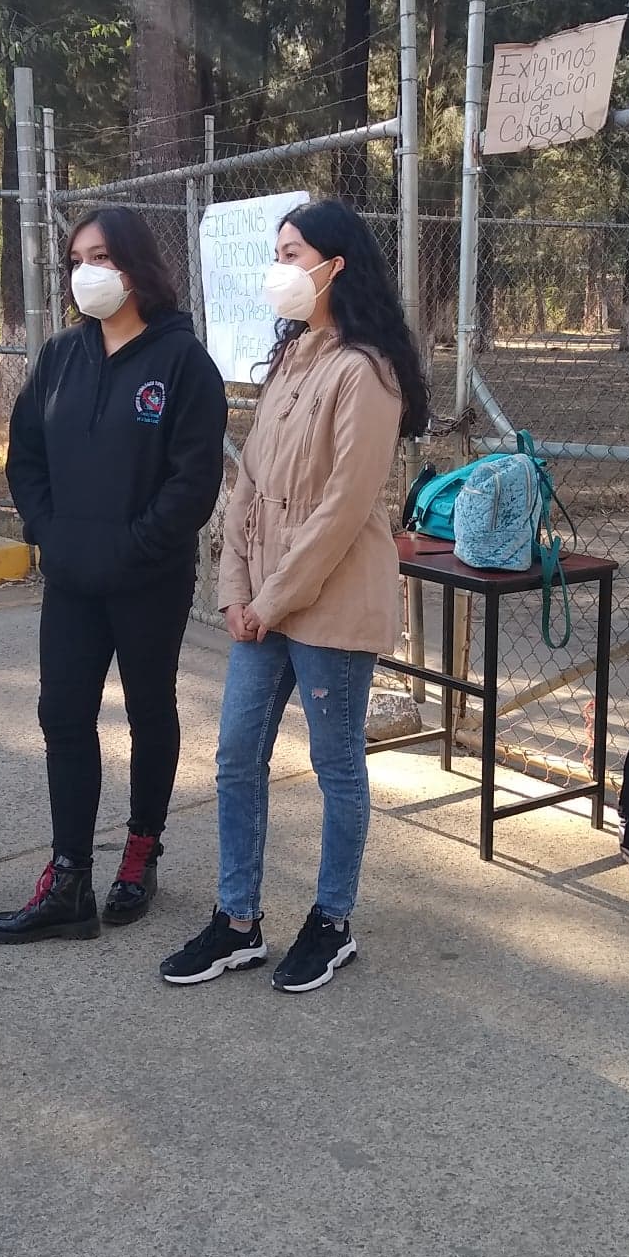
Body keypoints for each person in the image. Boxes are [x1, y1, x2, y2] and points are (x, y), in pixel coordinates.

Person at [160, 198, 429, 994]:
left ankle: (331, 921)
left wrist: (270, 602)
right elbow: (248, 486)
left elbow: (345, 508)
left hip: (330, 602)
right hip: (264, 603)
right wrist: (237, 591)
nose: (280, 268)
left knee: (335, 765)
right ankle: (237, 920)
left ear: (334, 265)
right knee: (237, 755)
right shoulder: (290, 359)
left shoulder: (366, 372)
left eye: (292, 252)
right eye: (277, 252)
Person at [0, 206, 226, 944]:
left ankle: (141, 851)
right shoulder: (60, 356)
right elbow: (24, 453)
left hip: (148, 577)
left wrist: (135, 545)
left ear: (136, 265)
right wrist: (49, 533)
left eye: (101, 256)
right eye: (75, 259)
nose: (86, 271)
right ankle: (68, 881)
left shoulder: (183, 362)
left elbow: (193, 481)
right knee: (63, 716)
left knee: (150, 709)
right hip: (71, 575)